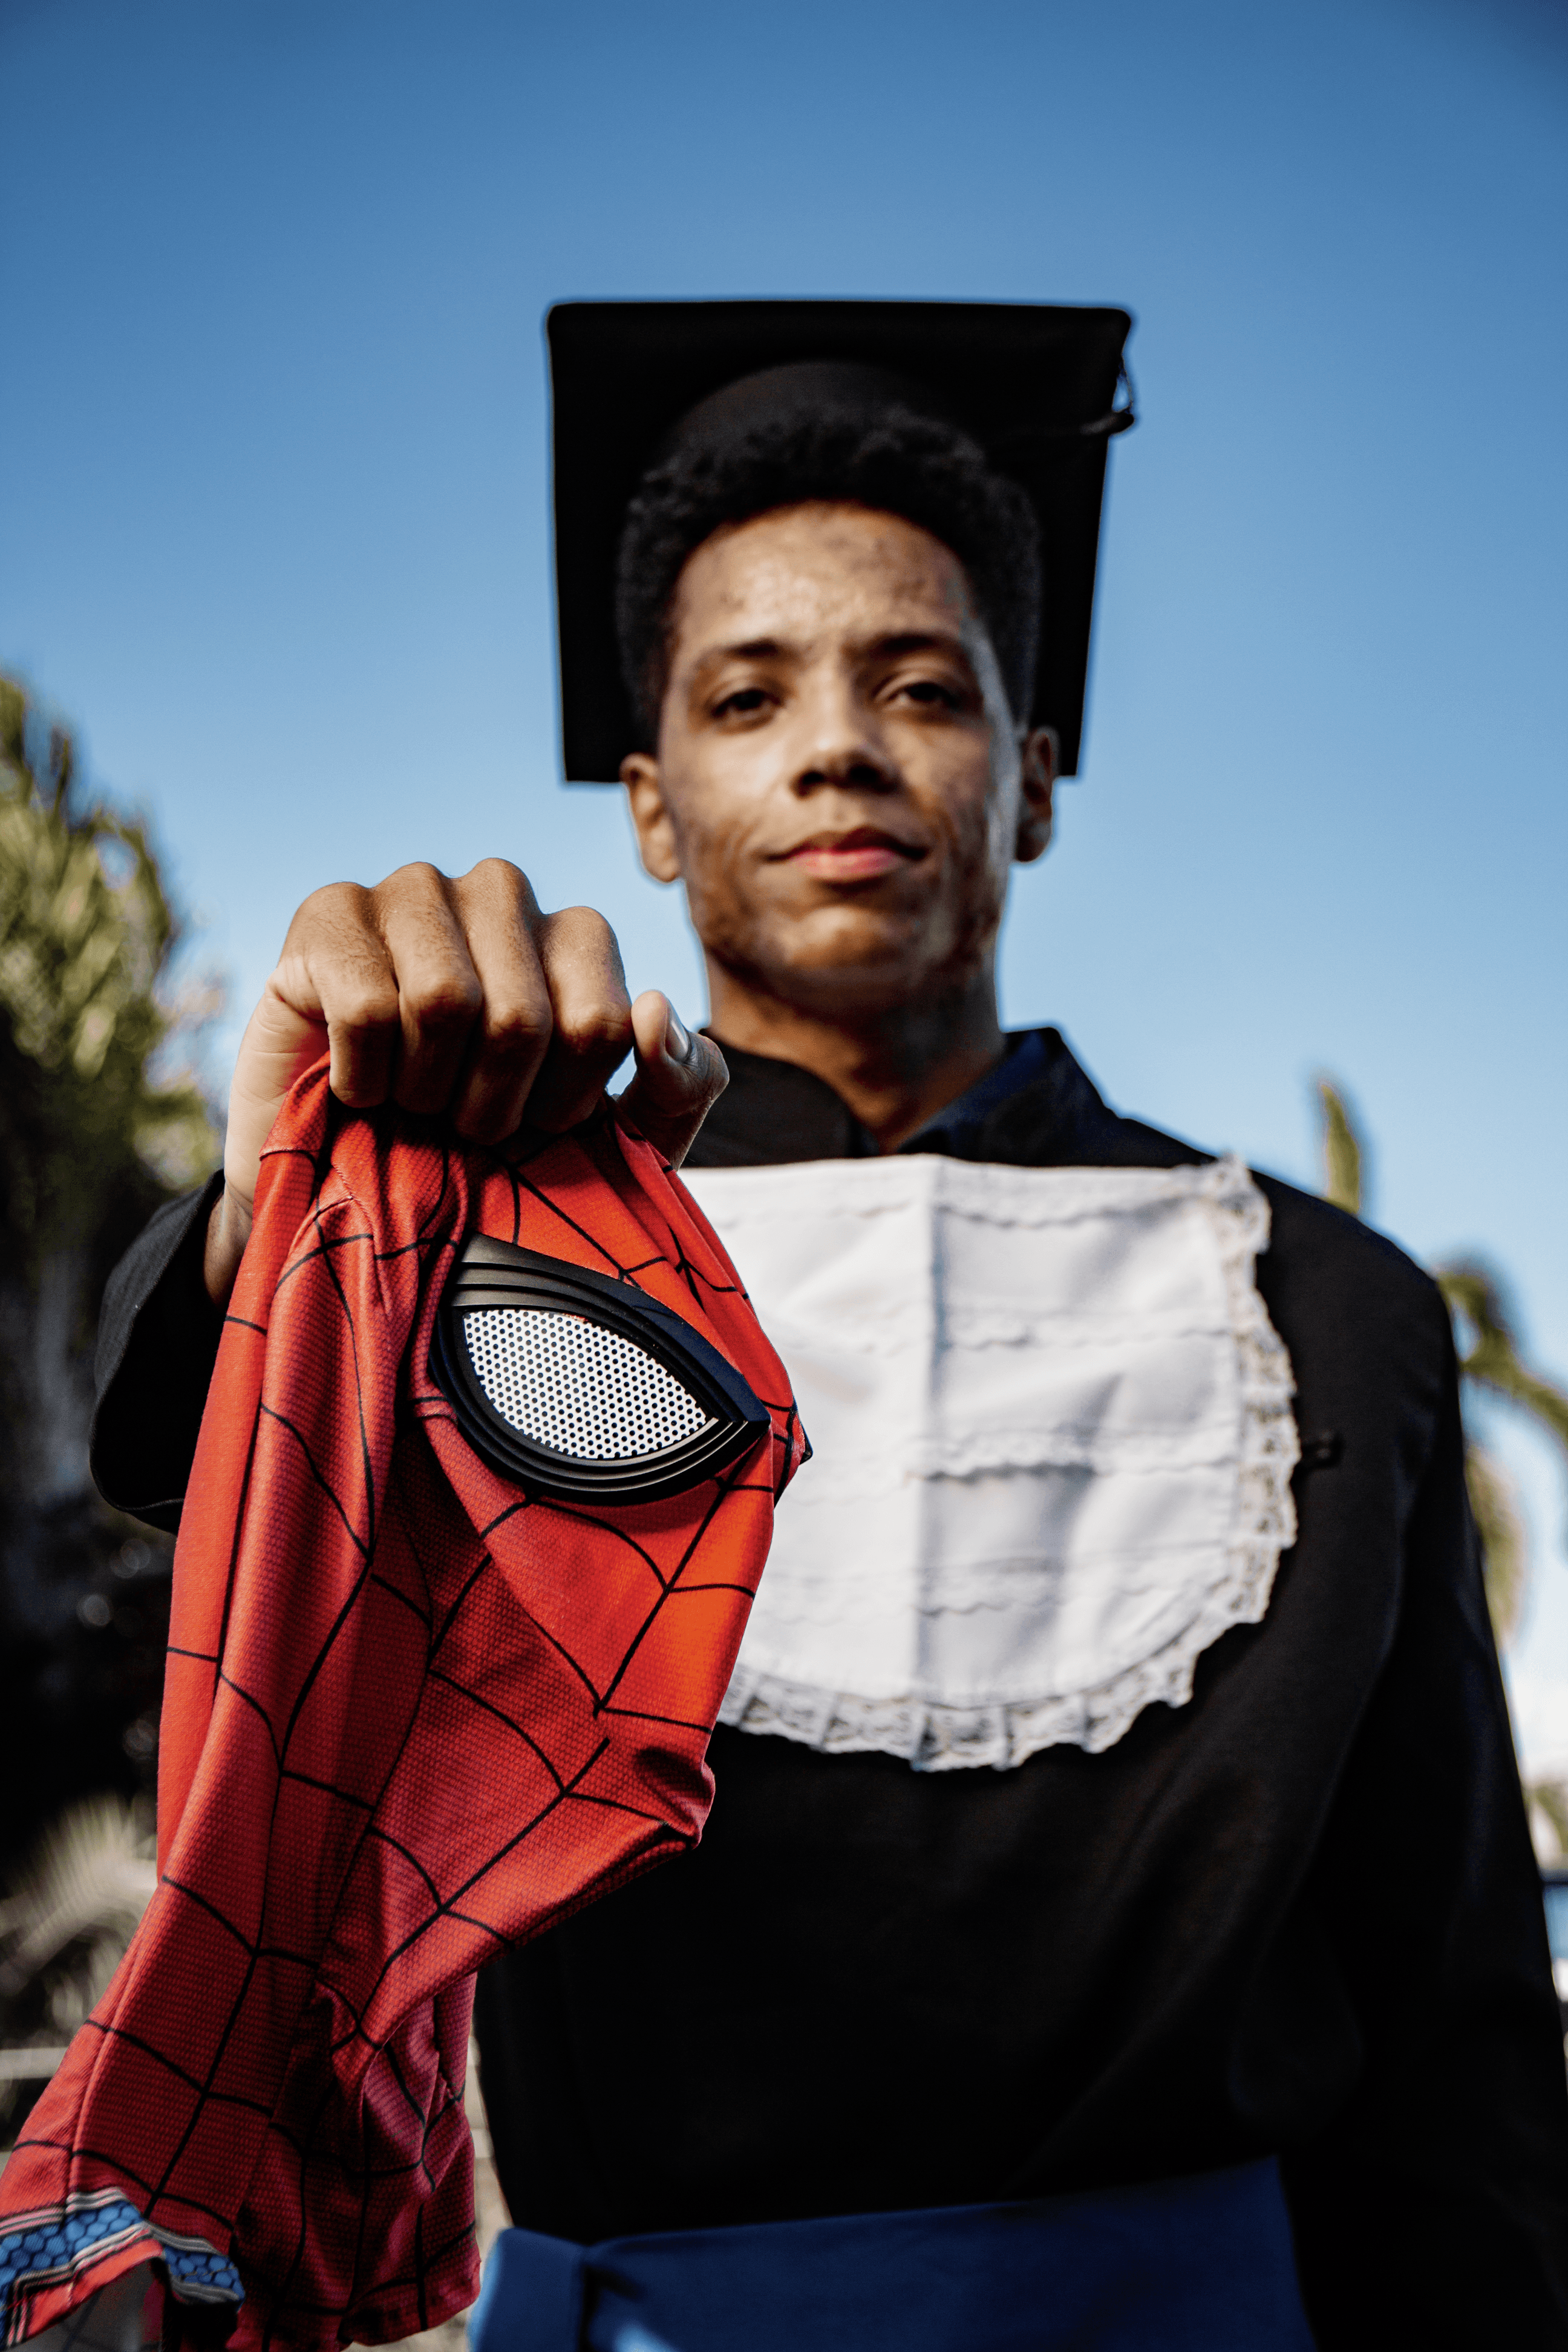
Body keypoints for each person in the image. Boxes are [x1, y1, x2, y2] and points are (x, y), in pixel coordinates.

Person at [91, 302, 1568, 2350]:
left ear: (1032, 779)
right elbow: (206, 1456)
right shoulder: (484, 1265)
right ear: (649, 803)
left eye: (923, 687)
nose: (836, 744)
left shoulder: (1322, 1300)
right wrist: (305, 1200)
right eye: (746, 693)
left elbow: (1458, 2029)